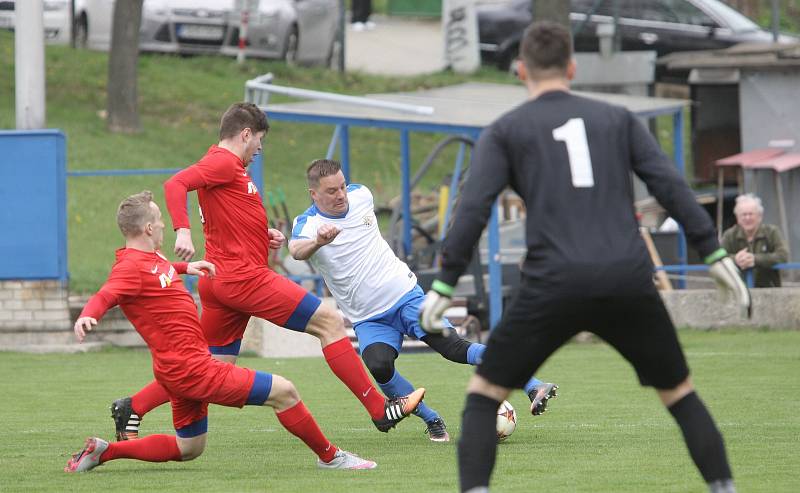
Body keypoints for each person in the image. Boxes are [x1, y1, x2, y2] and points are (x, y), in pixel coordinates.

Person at [418, 22, 751, 493]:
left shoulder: (507, 130)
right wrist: (712, 248)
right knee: (680, 394)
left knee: (483, 396)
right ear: (572, 68)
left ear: (520, 71)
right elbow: (669, 185)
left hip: (552, 283)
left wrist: (446, 280)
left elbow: (473, 208)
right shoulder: (617, 119)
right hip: (627, 280)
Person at [109, 103, 423, 443]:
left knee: (208, 368)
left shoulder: (225, 166)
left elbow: (226, 217)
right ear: (246, 134)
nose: (259, 148)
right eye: (259, 140)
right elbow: (175, 184)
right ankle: (378, 408)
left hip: (221, 281)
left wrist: (263, 235)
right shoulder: (223, 162)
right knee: (329, 323)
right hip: (244, 278)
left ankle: (133, 406)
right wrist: (182, 231)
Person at [66, 191, 377, 473]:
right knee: (284, 392)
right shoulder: (129, 267)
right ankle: (331, 457)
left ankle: (103, 452)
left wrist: (189, 267)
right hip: (192, 369)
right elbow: (107, 294)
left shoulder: (149, 259)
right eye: (160, 220)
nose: (163, 226)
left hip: (179, 370)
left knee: (189, 448)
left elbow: (157, 273)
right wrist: (87, 316)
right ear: (147, 228)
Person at [288, 159, 558, 442]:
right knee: (379, 366)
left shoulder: (361, 196)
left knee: (453, 347)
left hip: (406, 296)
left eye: (342, 186)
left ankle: (533, 385)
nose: (341, 194)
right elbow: (296, 250)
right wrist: (318, 242)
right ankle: (432, 419)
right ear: (313, 194)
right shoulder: (308, 224)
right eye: (331, 191)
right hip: (369, 318)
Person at [721, 193, 788, 287]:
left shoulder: (772, 232)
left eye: (751, 214)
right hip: (738, 289)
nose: (747, 218)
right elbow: (719, 258)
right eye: (743, 214)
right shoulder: (729, 235)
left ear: (760, 216)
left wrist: (755, 259)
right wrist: (735, 259)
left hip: (769, 290)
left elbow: (783, 256)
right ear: (737, 218)